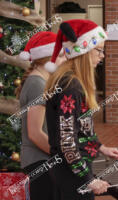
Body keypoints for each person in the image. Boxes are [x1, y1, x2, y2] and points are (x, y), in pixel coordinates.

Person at [44, 19, 118, 200]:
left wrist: (100, 147)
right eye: (99, 50)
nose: (102, 55)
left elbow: (82, 125)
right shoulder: (71, 86)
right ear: (84, 51)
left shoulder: (73, 81)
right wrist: (88, 179)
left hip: (72, 168)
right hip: (71, 171)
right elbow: (67, 141)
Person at [16, 31, 66, 200]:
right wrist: (62, 155)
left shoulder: (40, 81)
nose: (64, 60)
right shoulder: (38, 84)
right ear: (47, 59)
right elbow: (35, 133)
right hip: (40, 160)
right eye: (60, 56)